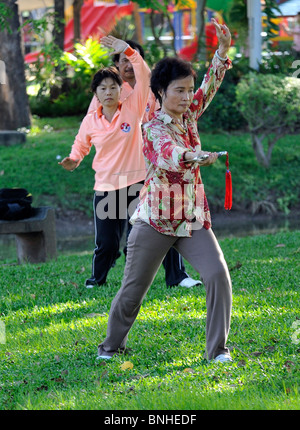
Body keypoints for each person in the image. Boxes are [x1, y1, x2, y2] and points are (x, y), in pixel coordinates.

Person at [97, 18, 233, 363]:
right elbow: (169, 155)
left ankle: (217, 350)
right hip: (154, 221)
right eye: (179, 91)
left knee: (217, 275)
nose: (188, 97)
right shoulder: (152, 126)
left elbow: (209, 87)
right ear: (160, 92)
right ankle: (110, 347)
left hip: (191, 219)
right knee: (132, 293)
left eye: (189, 90)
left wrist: (221, 52)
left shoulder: (190, 114)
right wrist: (195, 156)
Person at [88, 40, 201, 289]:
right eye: (123, 59)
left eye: (134, 58)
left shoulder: (157, 91)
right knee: (111, 238)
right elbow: (91, 128)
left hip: (154, 173)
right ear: (116, 64)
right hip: (117, 175)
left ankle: (177, 276)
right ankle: (99, 279)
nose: (129, 64)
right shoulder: (107, 93)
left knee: (165, 224)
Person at [59, 36, 150, 288]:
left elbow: (145, 76)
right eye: (103, 88)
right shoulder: (91, 120)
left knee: (136, 239)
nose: (108, 92)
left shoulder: (133, 108)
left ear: (122, 89)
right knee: (107, 243)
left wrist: (129, 51)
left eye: (113, 87)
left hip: (135, 183)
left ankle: (134, 283)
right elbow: (81, 144)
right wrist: (75, 159)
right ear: (96, 93)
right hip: (106, 187)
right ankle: (96, 281)